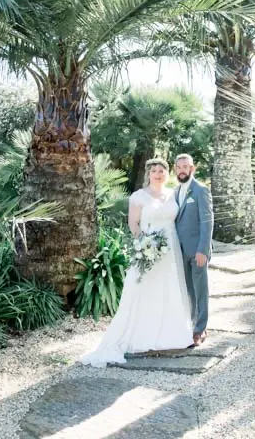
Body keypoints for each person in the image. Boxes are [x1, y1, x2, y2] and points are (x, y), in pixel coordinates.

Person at [81, 157, 192, 368]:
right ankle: (144, 335)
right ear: (148, 174)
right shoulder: (138, 197)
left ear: (167, 174)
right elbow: (133, 223)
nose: (158, 174)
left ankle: (172, 334)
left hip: (171, 249)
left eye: (162, 171)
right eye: (154, 171)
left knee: (171, 288)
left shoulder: (173, 194)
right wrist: (144, 246)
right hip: (148, 249)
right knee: (146, 290)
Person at [174, 154, 213, 346]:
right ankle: (191, 324)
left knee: (200, 290)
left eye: (186, 166)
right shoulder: (176, 191)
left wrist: (203, 250)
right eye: (179, 166)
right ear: (175, 169)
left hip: (197, 251)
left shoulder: (200, 190)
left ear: (192, 169)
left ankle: (200, 329)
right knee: (188, 290)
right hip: (180, 251)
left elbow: (207, 222)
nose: (182, 170)